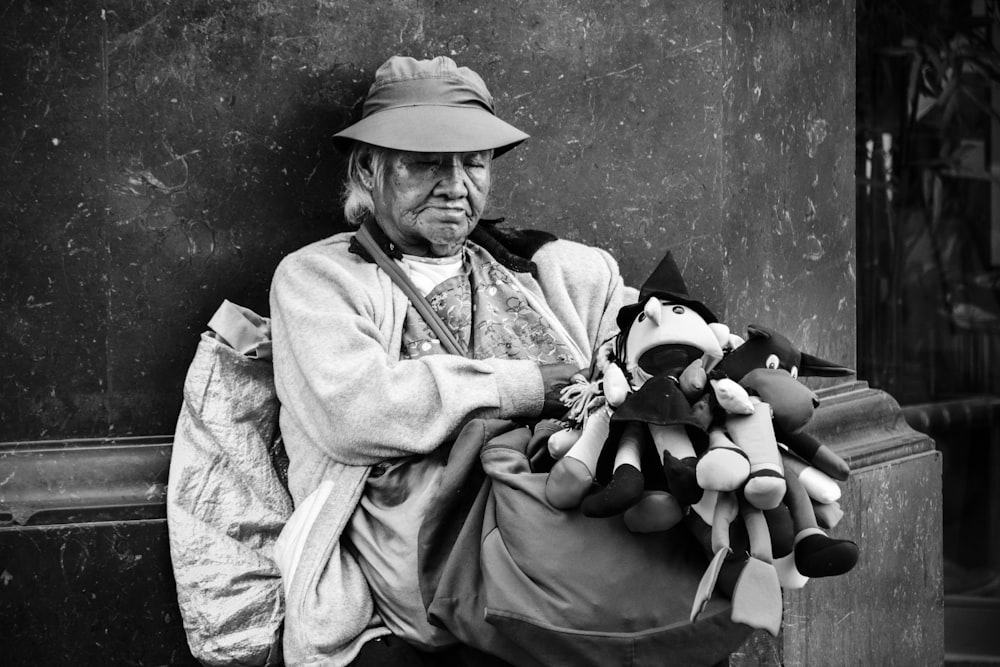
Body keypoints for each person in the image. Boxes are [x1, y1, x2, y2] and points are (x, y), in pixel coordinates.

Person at [269, 55, 635, 666]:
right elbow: (357, 411)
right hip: (423, 577)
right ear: (368, 169)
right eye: (425, 163)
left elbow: (636, 349)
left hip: (564, 555)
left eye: (474, 161)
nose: (456, 184)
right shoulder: (318, 279)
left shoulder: (562, 270)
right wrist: (525, 386)